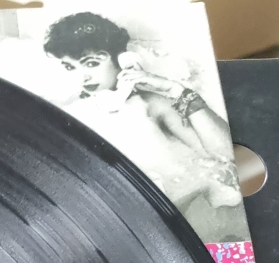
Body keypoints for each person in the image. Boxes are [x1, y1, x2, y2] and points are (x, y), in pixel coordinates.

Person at [42, 12, 244, 240]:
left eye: (92, 63)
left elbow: (227, 154)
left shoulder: (151, 104)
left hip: (160, 217)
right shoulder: (68, 111)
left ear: (122, 59)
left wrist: (175, 90)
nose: (83, 77)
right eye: (70, 67)